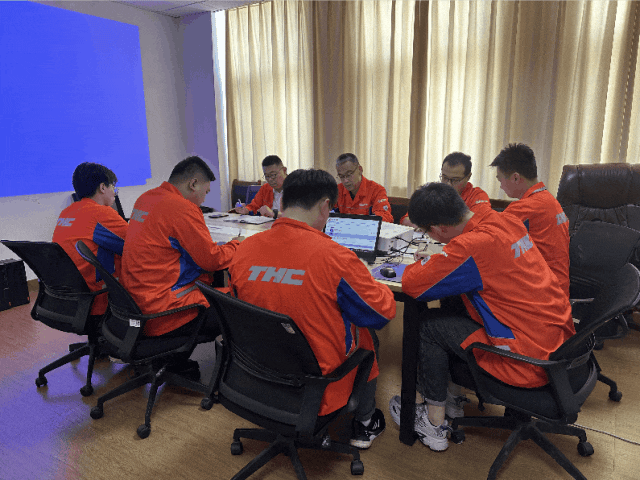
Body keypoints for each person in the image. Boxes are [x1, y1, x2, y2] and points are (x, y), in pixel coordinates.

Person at [389, 182, 575, 452]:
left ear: (439, 229)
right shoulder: (505, 221)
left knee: (430, 325)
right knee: (456, 306)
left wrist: (432, 260)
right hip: (558, 340)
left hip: (526, 359)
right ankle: (451, 398)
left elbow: (412, 284)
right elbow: (488, 259)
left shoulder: (471, 247)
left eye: (427, 232)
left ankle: (433, 423)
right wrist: (444, 255)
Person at [228, 168, 396, 449]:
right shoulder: (336, 258)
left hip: (254, 372)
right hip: (316, 385)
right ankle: (365, 422)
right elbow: (381, 313)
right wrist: (367, 279)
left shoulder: (244, 249)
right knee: (368, 337)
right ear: (325, 206)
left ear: (283, 202)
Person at [120, 156, 240, 375]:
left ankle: (173, 360)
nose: (203, 200)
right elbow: (212, 260)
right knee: (240, 305)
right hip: (163, 310)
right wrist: (236, 245)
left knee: (211, 281)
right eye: (205, 192)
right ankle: (235, 375)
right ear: (193, 183)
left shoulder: (145, 199)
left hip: (134, 306)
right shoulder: (181, 207)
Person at [490, 143, 569, 298]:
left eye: (500, 180)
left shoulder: (524, 208)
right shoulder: (550, 200)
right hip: (558, 289)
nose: (501, 187)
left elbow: (485, 236)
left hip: (542, 294)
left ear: (515, 177)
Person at [53, 162, 128, 316]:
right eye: (113, 187)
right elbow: (137, 245)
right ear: (103, 187)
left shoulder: (67, 212)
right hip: (98, 297)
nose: (114, 192)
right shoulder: (101, 214)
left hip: (69, 297)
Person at [400, 152, 491, 227]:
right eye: (445, 177)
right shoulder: (433, 192)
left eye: (455, 180)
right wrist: (418, 225)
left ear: (468, 177)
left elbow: (478, 224)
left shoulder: (477, 196)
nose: (448, 184)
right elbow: (406, 219)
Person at [335, 153, 394, 223]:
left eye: (349, 174)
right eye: (341, 176)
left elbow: (385, 217)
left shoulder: (376, 190)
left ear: (360, 170)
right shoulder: (337, 190)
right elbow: (327, 213)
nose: (345, 181)